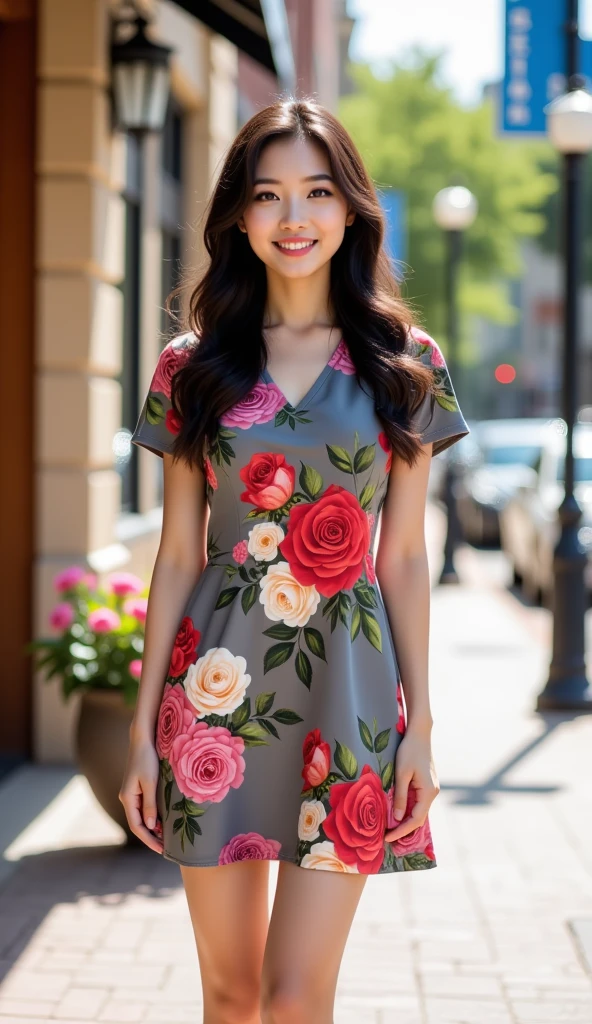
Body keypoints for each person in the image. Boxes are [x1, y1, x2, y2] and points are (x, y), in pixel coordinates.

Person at [119, 96, 469, 1024]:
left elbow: (402, 557)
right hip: (214, 698)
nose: (295, 217)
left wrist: (421, 726)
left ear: (351, 207)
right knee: (232, 998)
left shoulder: (404, 363)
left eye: (317, 192)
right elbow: (178, 553)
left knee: (297, 994)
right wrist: (141, 729)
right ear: (239, 215)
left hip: (347, 694)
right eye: (268, 195)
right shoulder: (190, 367)